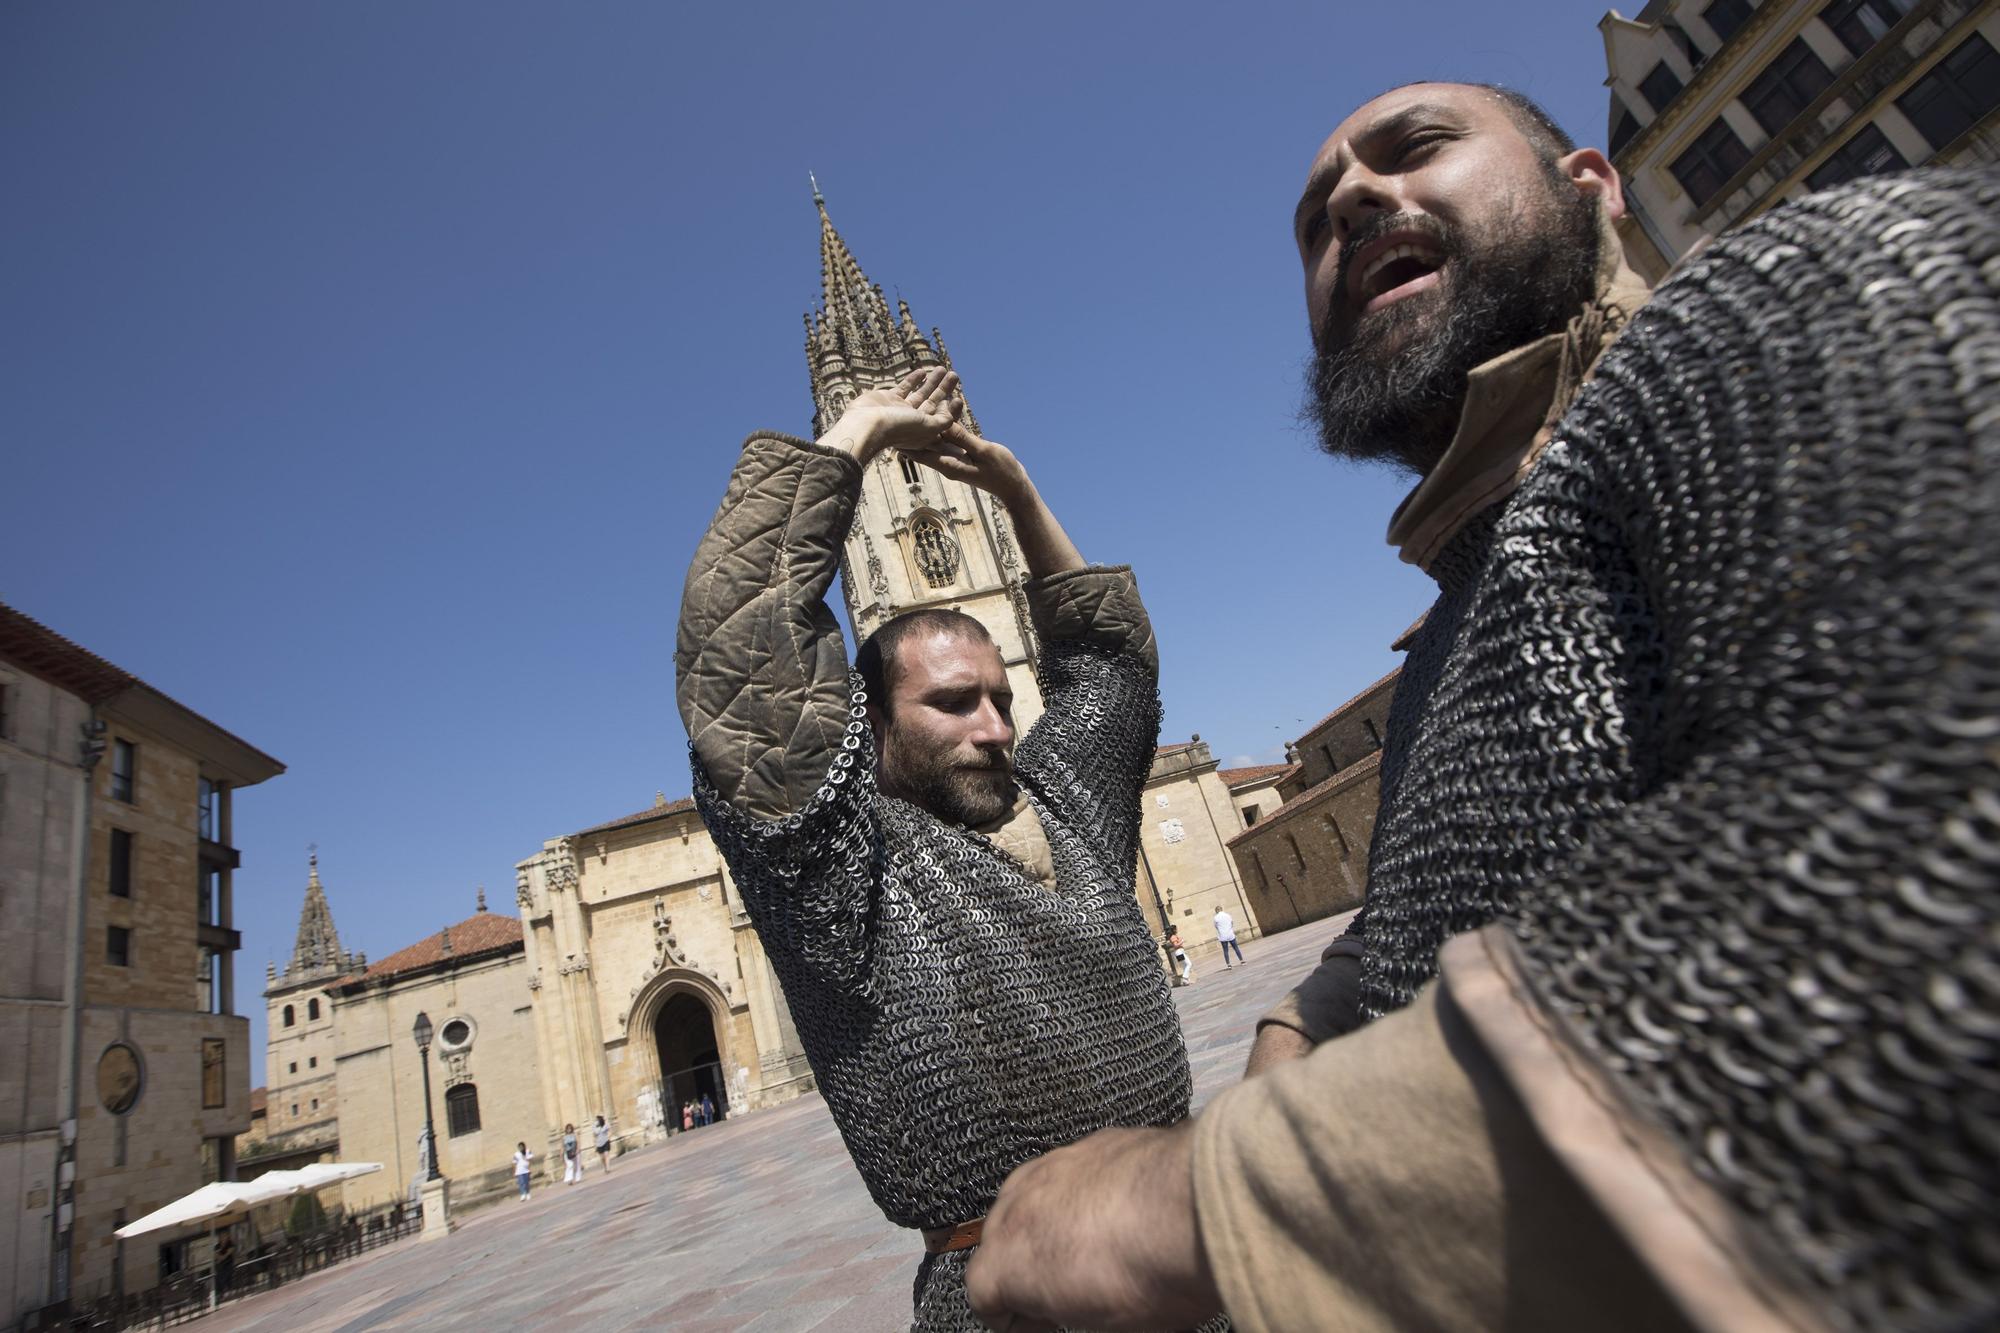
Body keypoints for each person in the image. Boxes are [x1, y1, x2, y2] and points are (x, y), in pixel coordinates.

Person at [963, 83, 1999, 1333]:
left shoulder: (1805, 298)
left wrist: (1195, 1199)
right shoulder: (1473, 597)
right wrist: (1311, 1008)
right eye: (1310, 223)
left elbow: (1934, 850)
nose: (1349, 196)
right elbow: (1437, 907)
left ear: (1590, 186)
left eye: (1417, 147)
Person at [678, 366, 1212, 1332]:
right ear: (869, 731)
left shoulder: (1065, 808)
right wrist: (863, 426)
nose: (996, 725)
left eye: (1001, 698)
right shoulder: (853, 874)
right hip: (1011, 1297)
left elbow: (1111, 669)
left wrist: (1014, 491)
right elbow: (746, 657)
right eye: (954, 702)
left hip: (1193, 1264)